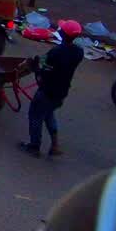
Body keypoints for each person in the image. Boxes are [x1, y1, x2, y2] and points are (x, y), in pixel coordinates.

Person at [19, 20, 84, 158]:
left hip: (47, 90)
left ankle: (34, 146)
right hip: (61, 91)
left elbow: (44, 66)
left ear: (62, 33)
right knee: (48, 114)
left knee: (35, 116)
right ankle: (55, 145)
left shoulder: (57, 52)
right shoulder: (79, 52)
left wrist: (35, 65)